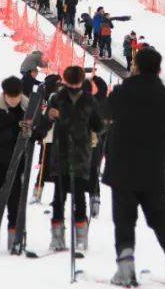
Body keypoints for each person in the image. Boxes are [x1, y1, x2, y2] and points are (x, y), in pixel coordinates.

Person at [103, 47, 165, 285]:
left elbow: (103, 116)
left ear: (135, 66)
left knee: (124, 219)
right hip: (154, 168)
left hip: (122, 167)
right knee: (160, 216)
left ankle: (126, 268)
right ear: (159, 69)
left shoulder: (120, 93)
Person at [40, 66, 104, 252]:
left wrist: (104, 123)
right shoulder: (56, 98)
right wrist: (49, 117)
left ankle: (81, 237)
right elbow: (45, 122)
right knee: (58, 197)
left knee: (79, 197)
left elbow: (97, 126)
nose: (74, 86)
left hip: (81, 154)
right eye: (72, 82)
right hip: (61, 153)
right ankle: (58, 237)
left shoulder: (89, 100)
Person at [0, 76, 35, 250]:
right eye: (10, 96)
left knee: (16, 202)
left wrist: (32, 129)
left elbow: (40, 132)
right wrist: (15, 129)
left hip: (20, 163)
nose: (13, 100)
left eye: (16, 96)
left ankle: (15, 237)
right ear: (4, 94)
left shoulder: (29, 109)